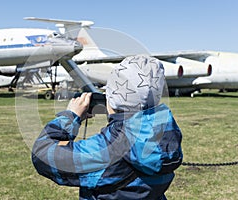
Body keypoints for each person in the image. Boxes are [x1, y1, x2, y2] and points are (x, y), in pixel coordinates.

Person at [32, 54, 183, 200]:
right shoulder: (165, 135)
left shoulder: (106, 151)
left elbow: (42, 155)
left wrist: (70, 117)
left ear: (112, 98)